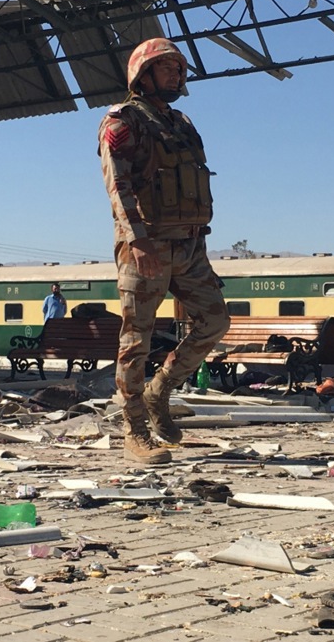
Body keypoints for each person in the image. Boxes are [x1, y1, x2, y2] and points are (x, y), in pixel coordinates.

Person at [98, 37, 230, 464]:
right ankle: (135, 430)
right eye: (168, 67)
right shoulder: (122, 122)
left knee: (215, 321)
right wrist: (136, 239)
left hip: (190, 244)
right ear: (143, 74)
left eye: (179, 68)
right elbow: (118, 185)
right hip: (146, 244)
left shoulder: (182, 123)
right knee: (136, 338)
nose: (177, 75)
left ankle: (160, 392)